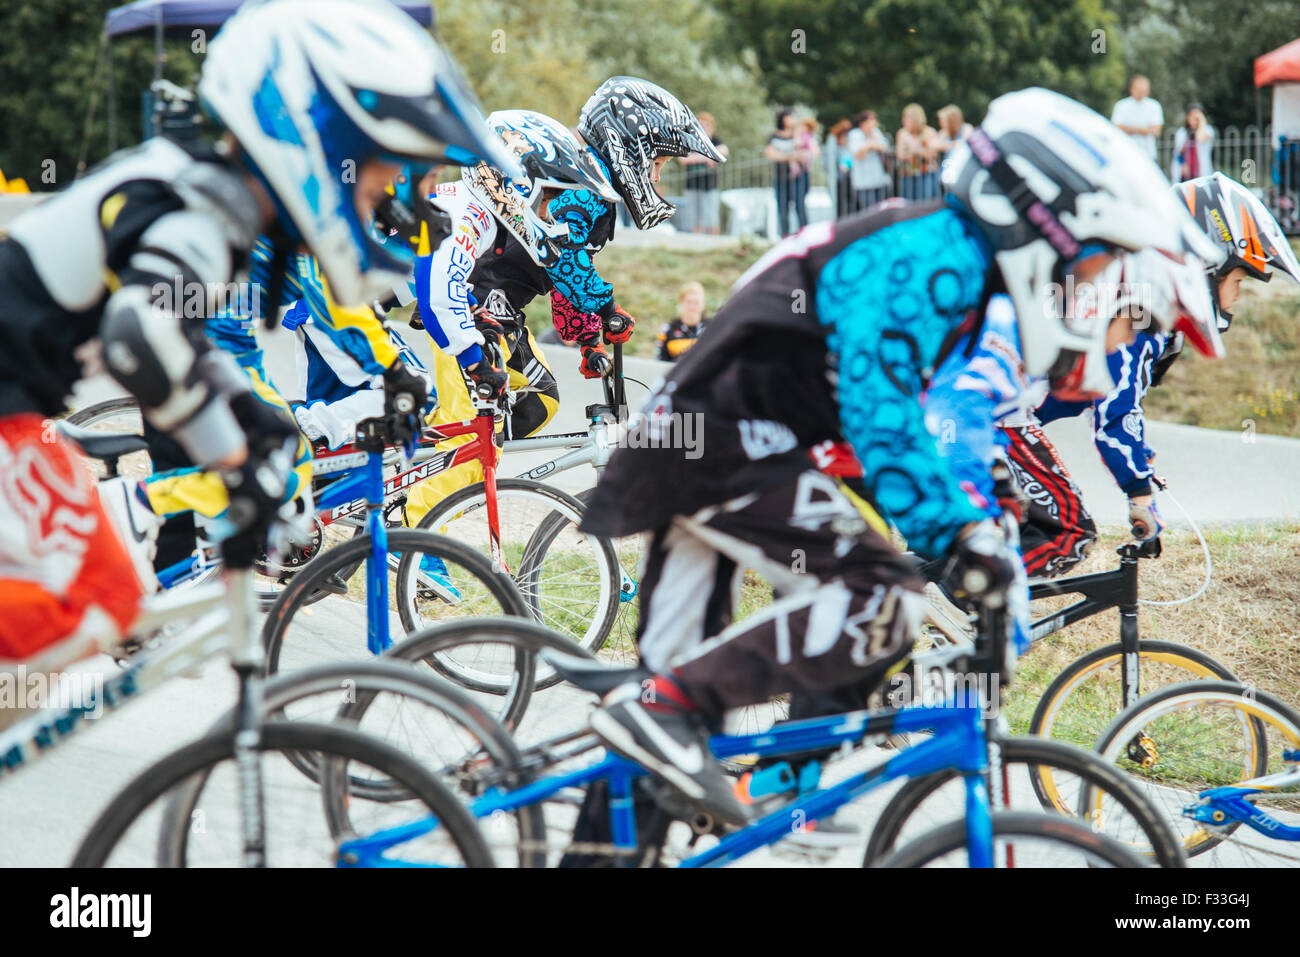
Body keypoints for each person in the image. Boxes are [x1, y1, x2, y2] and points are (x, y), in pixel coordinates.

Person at [576, 87, 1220, 825]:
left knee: (655, 765)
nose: (1095, 291)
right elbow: (881, 410)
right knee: (881, 595)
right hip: (723, 440)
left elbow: (944, 431)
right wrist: (959, 535)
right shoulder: (932, 259)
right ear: (1047, 225)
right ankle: (679, 715)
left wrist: (992, 522)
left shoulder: (959, 270)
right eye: (1098, 267)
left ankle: (653, 781)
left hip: (718, 442)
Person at [0, 0, 515, 685]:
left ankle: (139, 509)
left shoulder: (220, 199)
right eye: (379, 170)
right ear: (315, 147)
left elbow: (186, 341)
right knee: (77, 614)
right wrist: (240, 454)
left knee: (101, 609)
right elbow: (140, 336)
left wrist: (251, 433)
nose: (390, 194)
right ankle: (142, 507)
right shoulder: (199, 207)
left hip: (19, 409)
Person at [1010, 172, 1299, 568]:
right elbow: (1115, 414)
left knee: (1000, 529)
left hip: (973, 408)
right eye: (1238, 281)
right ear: (1203, 267)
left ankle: (947, 603)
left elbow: (1118, 403)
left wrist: (1141, 462)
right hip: (986, 414)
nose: (1237, 298)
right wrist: (1139, 496)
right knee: (1068, 533)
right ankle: (957, 609)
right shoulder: (1140, 308)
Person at [679, 112, 728, 234]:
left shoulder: (715, 141)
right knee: (694, 219)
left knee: (711, 218)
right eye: (701, 125)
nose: (704, 128)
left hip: (710, 185)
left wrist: (695, 157)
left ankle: (713, 242)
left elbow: (723, 152)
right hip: (692, 184)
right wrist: (708, 158)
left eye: (706, 125)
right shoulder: (690, 140)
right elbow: (683, 159)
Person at [846, 110, 892, 212]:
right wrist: (870, 144)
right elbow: (859, 155)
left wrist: (872, 143)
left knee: (880, 210)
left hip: (879, 180)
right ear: (863, 123)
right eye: (871, 120)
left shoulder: (876, 132)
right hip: (863, 182)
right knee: (869, 211)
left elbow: (884, 147)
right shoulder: (855, 135)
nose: (874, 123)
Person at [1111, 75, 1164, 161]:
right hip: (1125, 153)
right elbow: (1117, 128)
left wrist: (1130, 129)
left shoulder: (1154, 106)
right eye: (1139, 89)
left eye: (1144, 90)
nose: (1141, 93)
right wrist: (1145, 130)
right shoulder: (1121, 105)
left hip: (1148, 154)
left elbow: (1156, 131)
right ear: (1131, 89)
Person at [765, 109, 799, 236]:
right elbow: (770, 153)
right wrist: (790, 157)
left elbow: (802, 152)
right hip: (779, 176)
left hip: (796, 178)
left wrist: (783, 156)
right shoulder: (773, 136)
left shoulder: (797, 135)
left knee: (798, 207)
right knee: (782, 208)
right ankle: (785, 235)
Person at [895, 103, 940, 200]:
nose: (903, 121)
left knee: (927, 202)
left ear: (915, 119)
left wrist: (912, 151)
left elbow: (932, 154)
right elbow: (900, 155)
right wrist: (920, 151)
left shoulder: (929, 132)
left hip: (927, 174)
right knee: (909, 203)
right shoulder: (902, 133)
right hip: (907, 174)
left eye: (906, 118)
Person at [656, 282, 711, 361]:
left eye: (696, 302)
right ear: (681, 303)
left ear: (703, 304)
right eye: (688, 302)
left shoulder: (712, 327)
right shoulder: (668, 329)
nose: (692, 307)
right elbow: (659, 359)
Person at [1171, 104, 1214, 183]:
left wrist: (1201, 122)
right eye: (1192, 115)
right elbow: (1179, 152)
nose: (1195, 118)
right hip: (1184, 174)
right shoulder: (1182, 133)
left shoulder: (1208, 130)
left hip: (1201, 173)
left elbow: (1200, 138)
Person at [826, 119, 854, 217]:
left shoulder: (849, 145)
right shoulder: (833, 144)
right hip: (838, 179)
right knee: (840, 204)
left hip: (849, 178)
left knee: (851, 203)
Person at [935, 105, 973, 172]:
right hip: (948, 170)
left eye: (943, 120)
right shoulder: (943, 133)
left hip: (963, 169)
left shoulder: (966, 128)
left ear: (951, 120)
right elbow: (935, 145)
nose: (940, 123)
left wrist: (947, 145)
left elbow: (965, 144)